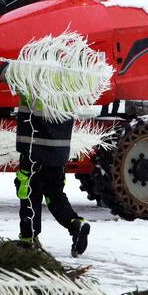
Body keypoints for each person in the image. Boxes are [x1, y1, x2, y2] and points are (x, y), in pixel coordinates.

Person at [14, 94, 90, 257]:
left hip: (34, 144)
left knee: (28, 190)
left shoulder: (33, 71)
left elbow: (14, 78)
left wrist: (2, 71)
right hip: (59, 149)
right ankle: (75, 224)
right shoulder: (68, 76)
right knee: (54, 194)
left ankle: (28, 239)